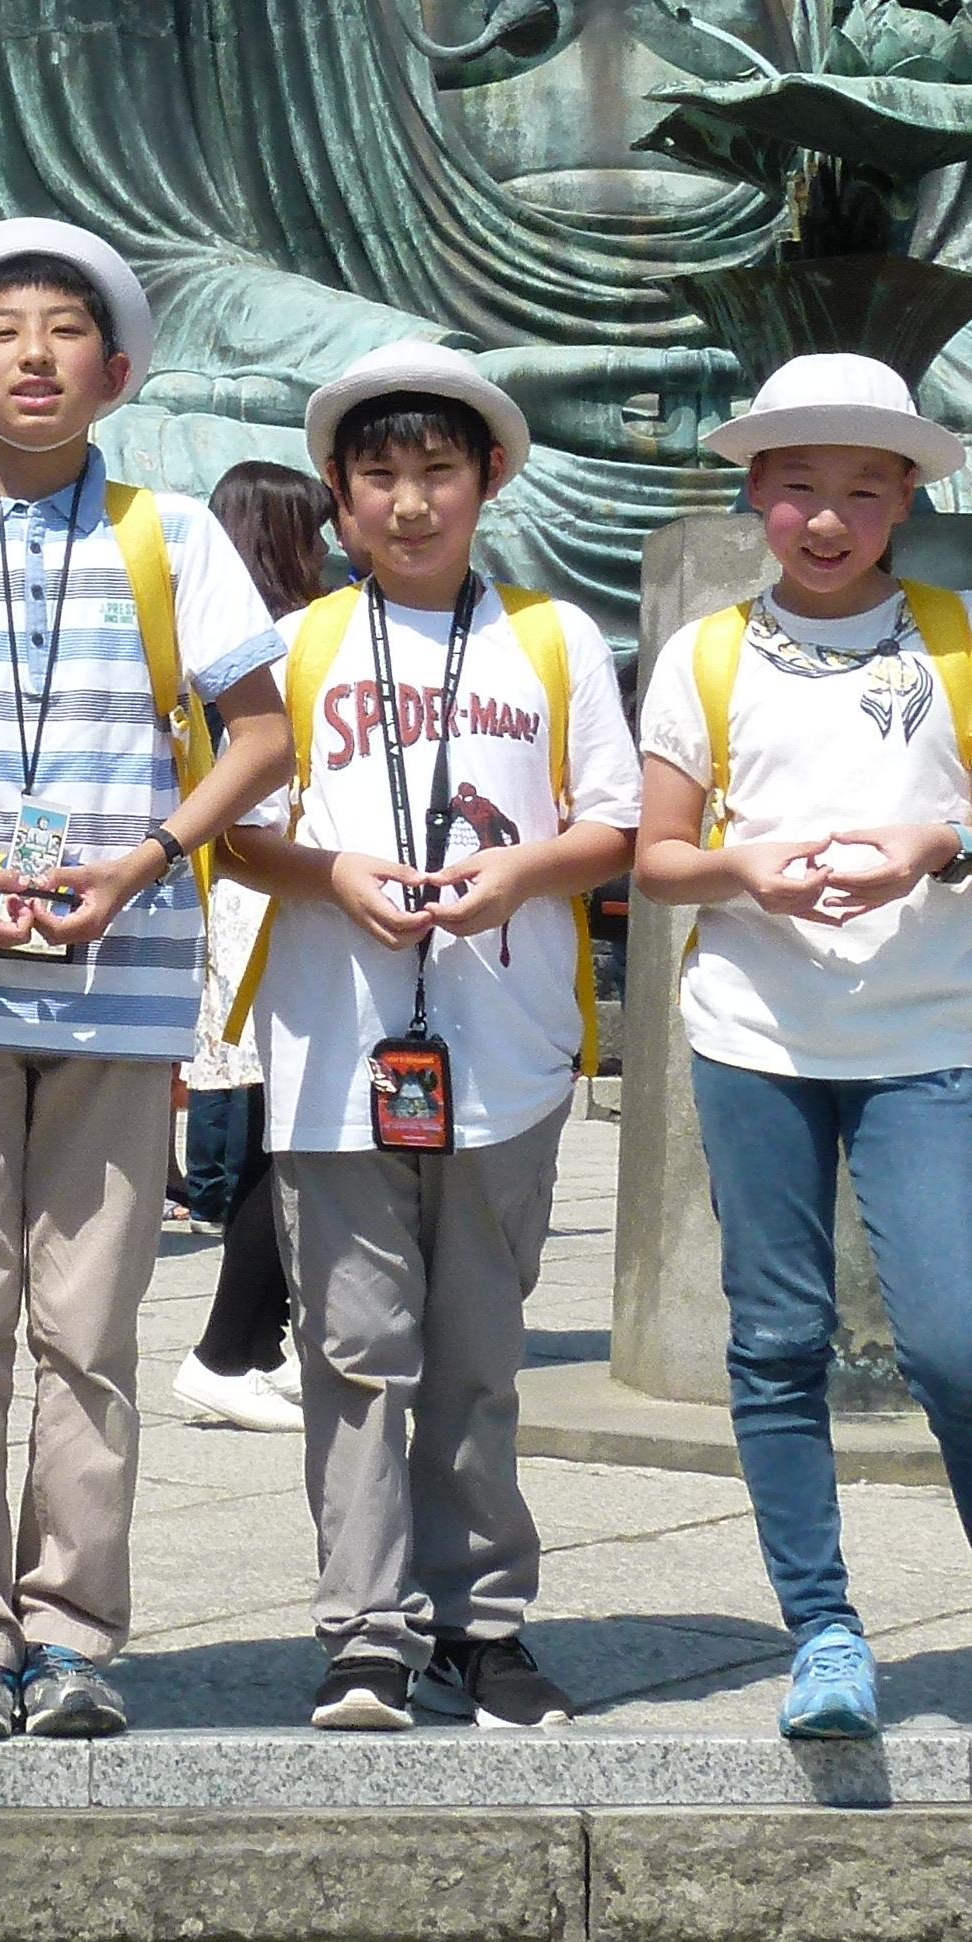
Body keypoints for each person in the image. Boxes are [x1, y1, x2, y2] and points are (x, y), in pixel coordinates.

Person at [0, 220, 295, 1743]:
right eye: (4, 333)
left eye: (65, 331)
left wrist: (145, 863)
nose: (36, 354)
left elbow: (262, 734)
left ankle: (76, 1636)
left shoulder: (176, 535)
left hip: (122, 978)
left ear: (119, 371)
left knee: (89, 1335)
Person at [633, 352, 972, 1773]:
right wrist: (745, 870)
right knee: (776, 1341)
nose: (827, 517)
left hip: (921, 1033)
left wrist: (941, 843)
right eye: (799, 486)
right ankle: (822, 1634)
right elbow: (657, 859)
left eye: (864, 490)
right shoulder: (706, 654)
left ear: (908, 497)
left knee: (963, 1349)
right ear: (754, 491)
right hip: (755, 1032)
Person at [220, 345, 637, 1732]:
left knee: (478, 1356)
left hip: (505, 1051)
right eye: (380, 476)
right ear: (337, 497)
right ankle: (366, 1632)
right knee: (353, 1354)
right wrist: (332, 875)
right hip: (336, 1050)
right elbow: (234, 831)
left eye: (438, 472)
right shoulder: (296, 648)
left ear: (490, 480)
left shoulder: (556, 638)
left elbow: (616, 824)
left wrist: (522, 875)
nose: (410, 503)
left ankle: (484, 1623)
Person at [171, 462, 333, 1435]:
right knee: (298, 1135)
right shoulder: (292, 641)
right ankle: (232, 1348)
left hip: (231, 890)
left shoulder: (203, 631)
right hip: (273, 891)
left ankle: (258, 1343)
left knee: (290, 1130)